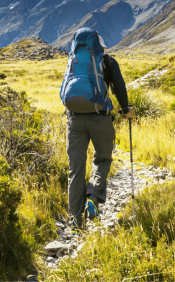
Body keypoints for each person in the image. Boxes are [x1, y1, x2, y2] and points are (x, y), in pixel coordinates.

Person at [63, 31, 134, 229]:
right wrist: (126, 110)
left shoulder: (74, 61)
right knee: (102, 159)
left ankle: (76, 225)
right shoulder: (108, 62)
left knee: (75, 171)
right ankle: (92, 197)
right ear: (99, 46)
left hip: (74, 119)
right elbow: (119, 87)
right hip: (100, 117)